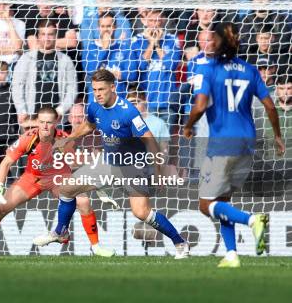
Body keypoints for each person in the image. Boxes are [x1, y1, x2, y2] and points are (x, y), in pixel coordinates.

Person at [36, 69, 190, 259]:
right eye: (94, 90)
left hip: (133, 166)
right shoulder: (94, 106)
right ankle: (61, 232)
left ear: (113, 87)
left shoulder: (128, 112)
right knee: (66, 190)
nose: (98, 94)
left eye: (101, 89)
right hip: (108, 164)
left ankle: (180, 242)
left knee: (141, 212)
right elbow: (89, 125)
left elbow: (150, 141)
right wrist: (68, 139)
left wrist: (158, 173)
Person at [183, 22, 285, 268]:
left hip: (222, 144)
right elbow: (271, 106)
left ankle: (252, 220)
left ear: (217, 41)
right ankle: (231, 254)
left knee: (206, 206)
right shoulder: (250, 70)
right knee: (223, 201)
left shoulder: (208, 68)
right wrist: (278, 136)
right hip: (248, 143)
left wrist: (188, 126)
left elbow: (200, 104)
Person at [0, 106, 115, 257]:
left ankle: (96, 247)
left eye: (49, 122)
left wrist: (99, 188)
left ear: (57, 122)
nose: (45, 126)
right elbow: (6, 163)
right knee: (0, 209)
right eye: (41, 122)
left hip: (58, 178)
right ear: (36, 122)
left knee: (83, 202)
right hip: (32, 178)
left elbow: (78, 166)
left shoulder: (64, 139)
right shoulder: (28, 138)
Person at [12, 20, 78, 125]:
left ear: (56, 36)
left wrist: (61, 109)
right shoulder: (26, 58)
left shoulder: (65, 60)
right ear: (38, 36)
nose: (47, 38)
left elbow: (72, 88)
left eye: (50, 34)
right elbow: (17, 86)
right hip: (31, 116)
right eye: (43, 34)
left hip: (56, 118)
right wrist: (22, 110)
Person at [130, 7, 182, 127]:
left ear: (163, 21)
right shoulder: (136, 41)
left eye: (157, 21)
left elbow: (171, 65)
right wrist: (151, 43)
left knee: (164, 143)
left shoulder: (172, 40)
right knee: (149, 142)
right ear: (146, 21)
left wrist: (157, 44)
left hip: (167, 101)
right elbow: (140, 66)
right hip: (147, 102)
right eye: (152, 21)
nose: (154, 24)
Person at [82, 11, 137, 102]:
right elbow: (90, 70)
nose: (106, 29)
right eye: (103, 26)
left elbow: (133, 75)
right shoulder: (90, 48)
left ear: (115, 27)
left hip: (118, 100)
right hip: (96, 101)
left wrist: (120, 74)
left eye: (109, 26)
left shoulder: (124, 48)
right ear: (98, 28)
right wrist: (104, 49)